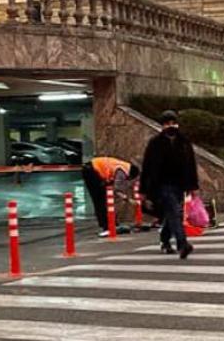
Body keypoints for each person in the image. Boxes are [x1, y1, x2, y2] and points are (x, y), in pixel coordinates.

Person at [140, 110, 200, 259]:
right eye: (167, 124)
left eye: (173, 123)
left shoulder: (184, 142)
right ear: (162, 126)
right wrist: (143, 190)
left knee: (172, 214)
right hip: (162, 185)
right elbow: (146, 167)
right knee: (174, 212)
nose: (171, 126)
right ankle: (182, 244)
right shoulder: (155, 143)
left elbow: (191, 165)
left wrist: (193, 186)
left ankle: (165, 240)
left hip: (180, 184)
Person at [81, 156, 140, 238]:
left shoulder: (124, 166)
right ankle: (107, 227)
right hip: (91, 171)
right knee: (101, 200)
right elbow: (117, 190)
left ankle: (111, 224)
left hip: (93, 169)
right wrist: (128, 199)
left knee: (104, 199)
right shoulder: (122, 171)